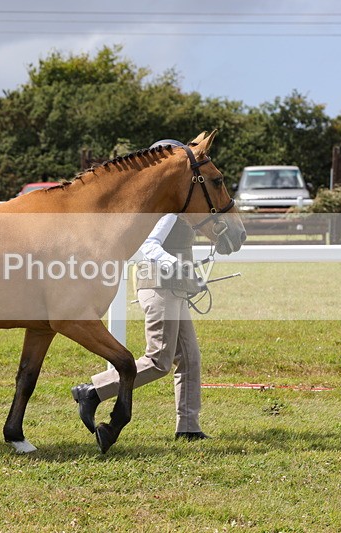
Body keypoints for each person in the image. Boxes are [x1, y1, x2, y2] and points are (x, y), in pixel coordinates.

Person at [71, 139, 211, 442]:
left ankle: (188, 427)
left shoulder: (178, 204)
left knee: (189, 358)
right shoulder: (167, 210)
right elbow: (150, 247)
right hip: (159, 286)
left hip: (174, 287)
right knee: (158, 360)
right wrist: (179, 267)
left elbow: (176, 247)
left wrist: (192, 275)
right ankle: (92, 391)